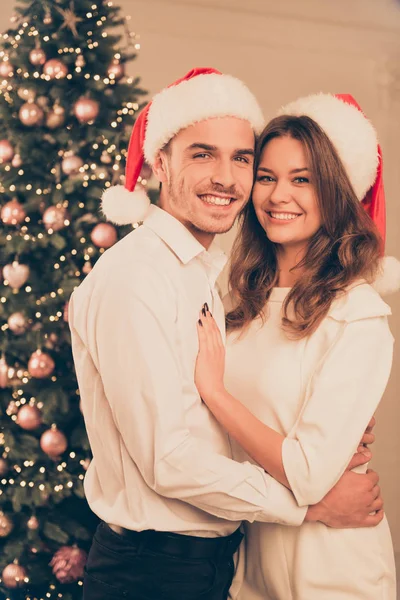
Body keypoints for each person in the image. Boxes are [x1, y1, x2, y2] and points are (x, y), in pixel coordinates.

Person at [69, 71, 383, 600]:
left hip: (228, 563)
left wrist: (317, 443)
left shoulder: (207, 280)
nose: (227, 177)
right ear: (160, 162)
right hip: (155, 570)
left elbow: (213, 423)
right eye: (202, 154)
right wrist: (308, 504)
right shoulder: (137, 277)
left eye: (241, 159)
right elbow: (168, 460)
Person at [194, 93, 398, 599]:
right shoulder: (237, 303)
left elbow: (307, 474)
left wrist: (216, 395)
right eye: (267, 177)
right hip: (250, 564)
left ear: (334, 192)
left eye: (301, 179)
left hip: (331, 569)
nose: (278, 195)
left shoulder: (357, 315)